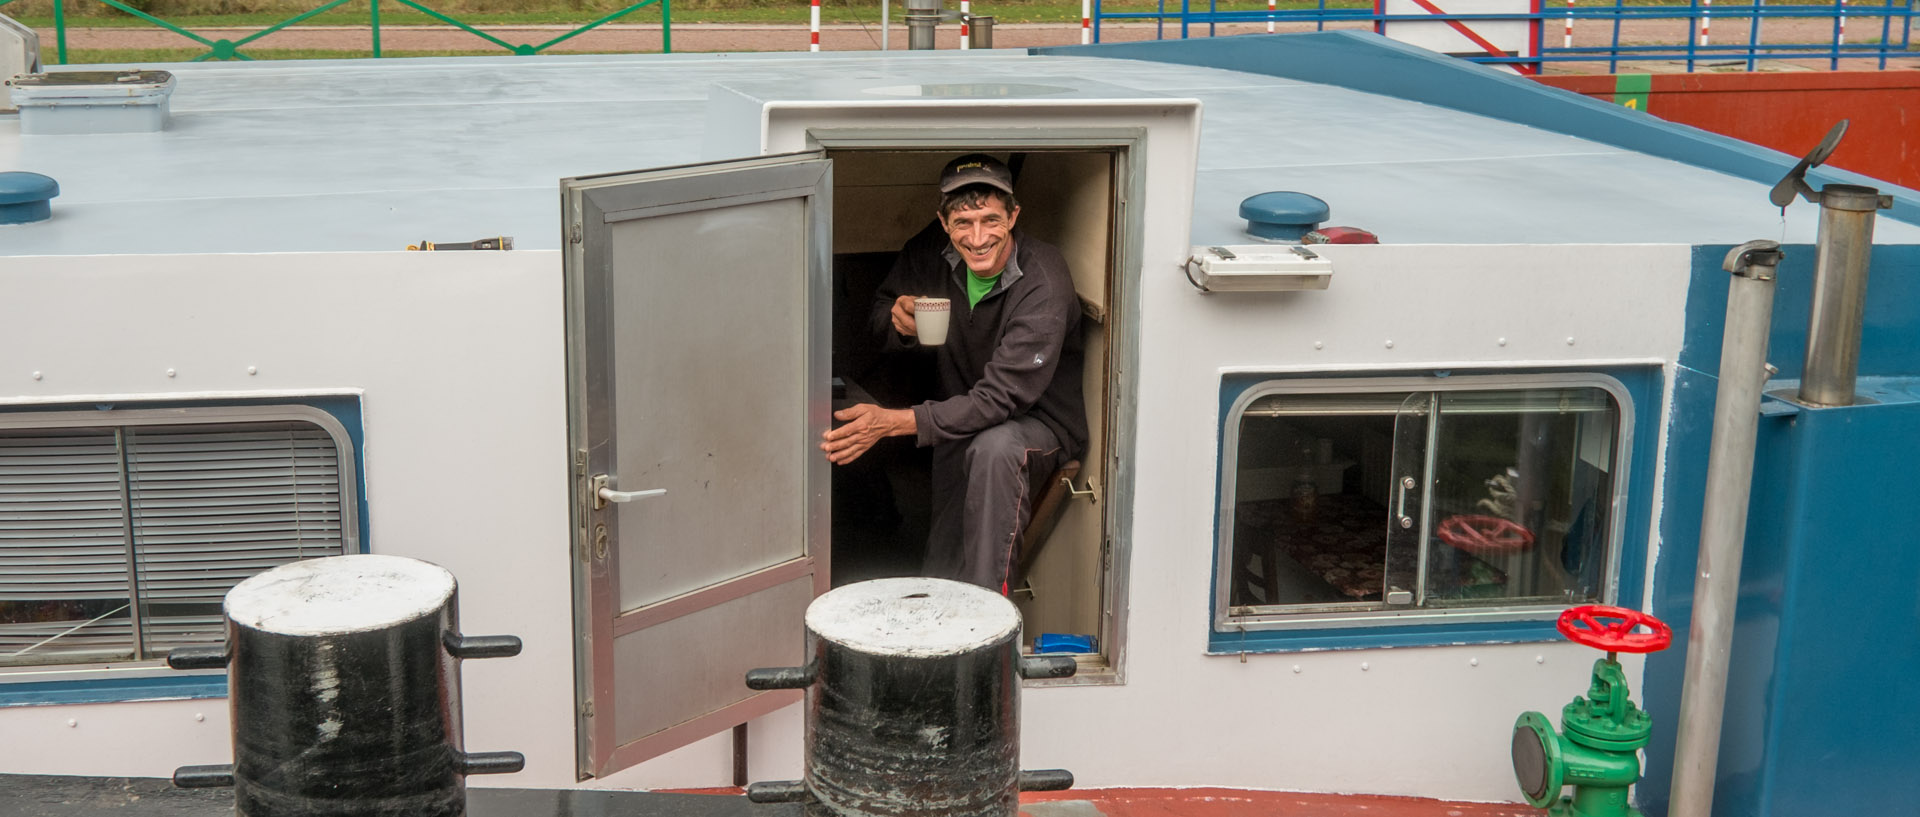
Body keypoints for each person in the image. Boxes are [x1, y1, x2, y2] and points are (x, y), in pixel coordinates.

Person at [820, 154, 1087, 591]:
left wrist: (895, 423)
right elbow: (876, 315)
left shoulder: (1043, 280)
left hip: (1036, 426)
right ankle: (937, 615)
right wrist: (898, 321)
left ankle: (987, 615)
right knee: (944, 544)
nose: (978, 237)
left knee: (995, 447)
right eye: (964, 222)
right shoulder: (931, 251)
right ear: (944, 222)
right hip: (960, 413)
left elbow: (1001, 401)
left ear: (1014, 216)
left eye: (990, 220)